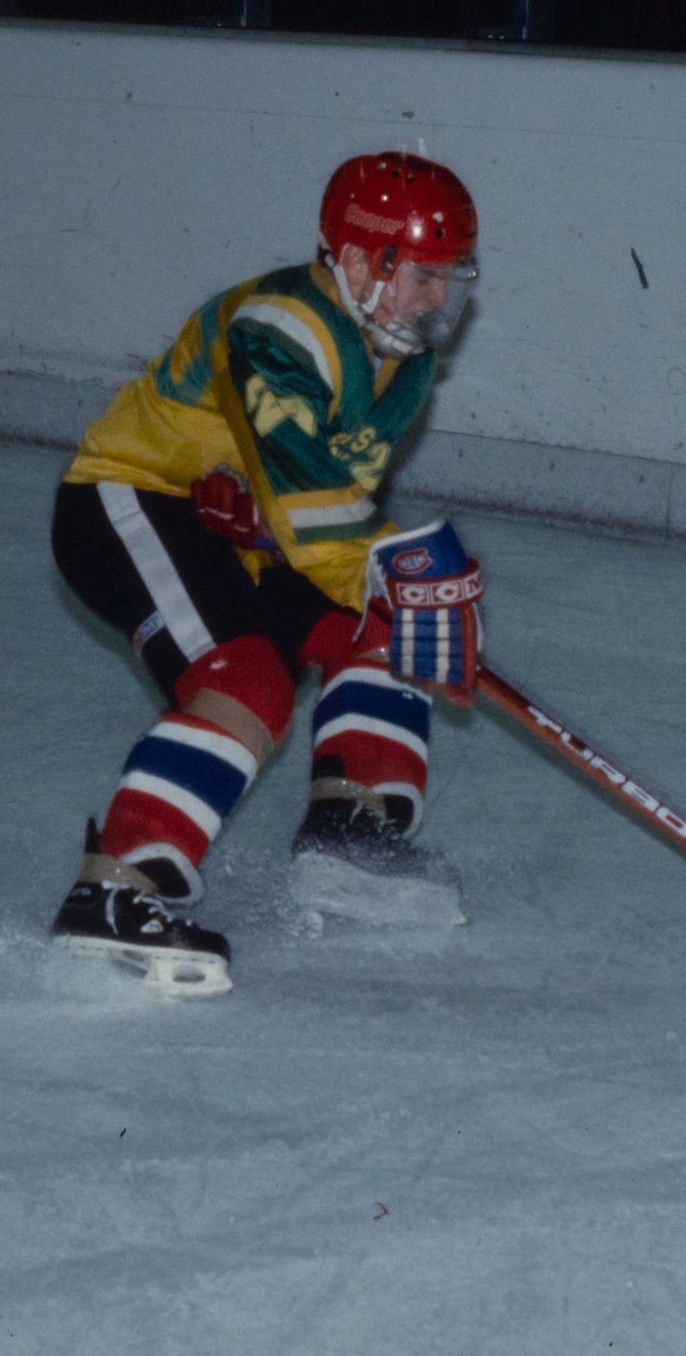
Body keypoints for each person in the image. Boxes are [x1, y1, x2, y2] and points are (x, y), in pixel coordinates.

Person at [49, 151, 486, 996]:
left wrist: (394, 586)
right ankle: (114, 886)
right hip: (135, 499)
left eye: (450, 281)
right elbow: (317, 505)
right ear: (359, 262)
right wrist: (396, 570)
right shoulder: (281, 329)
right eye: (423, 277)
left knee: (388, 629)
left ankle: (350, 823)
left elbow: (332, 504)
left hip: (248, 531)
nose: (439, 302)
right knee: (248, 678)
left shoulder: (406, 363)